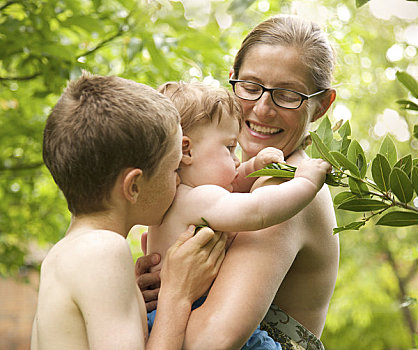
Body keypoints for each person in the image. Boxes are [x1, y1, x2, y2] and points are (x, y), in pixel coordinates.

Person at [137, 14, 339, 350]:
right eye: (251, 87)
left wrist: (174, 292)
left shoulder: (285, 186)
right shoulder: (224, 181)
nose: (263, 108)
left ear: (320, 106)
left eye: (288, 95)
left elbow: (211, 341)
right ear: (233, 81)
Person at [30, 72, 227, 350]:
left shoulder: (67, 254)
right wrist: (178, 294)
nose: (179, 180)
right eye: (173, 169)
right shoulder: (103, 250)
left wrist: (130, 295)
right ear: (133, 186)